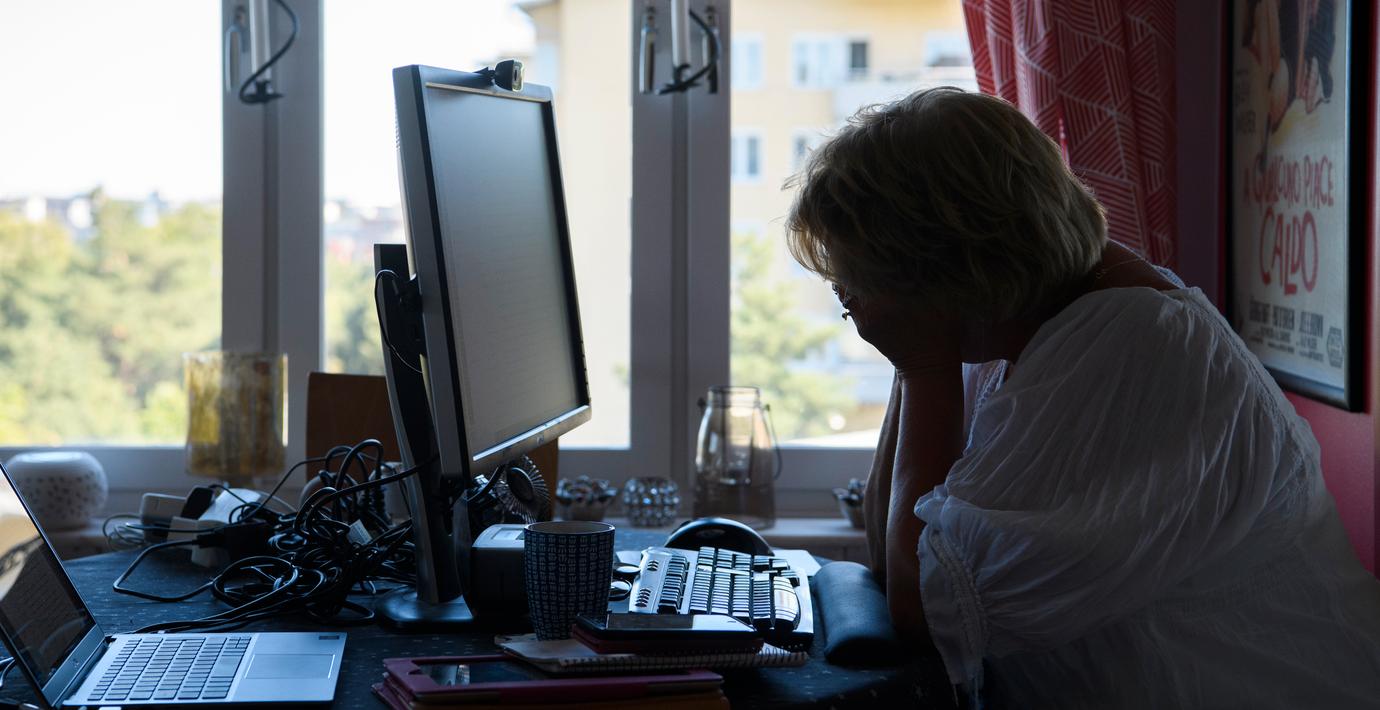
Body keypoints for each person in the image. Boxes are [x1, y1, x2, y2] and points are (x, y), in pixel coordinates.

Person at [785, 87, 1380, 708]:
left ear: (948, 260)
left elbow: (925, 614)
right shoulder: (1005, 326)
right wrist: (913, 359)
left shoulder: (1137, 346)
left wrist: (921, 366)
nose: (851, 298)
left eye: (866, 276)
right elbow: (892, 567)